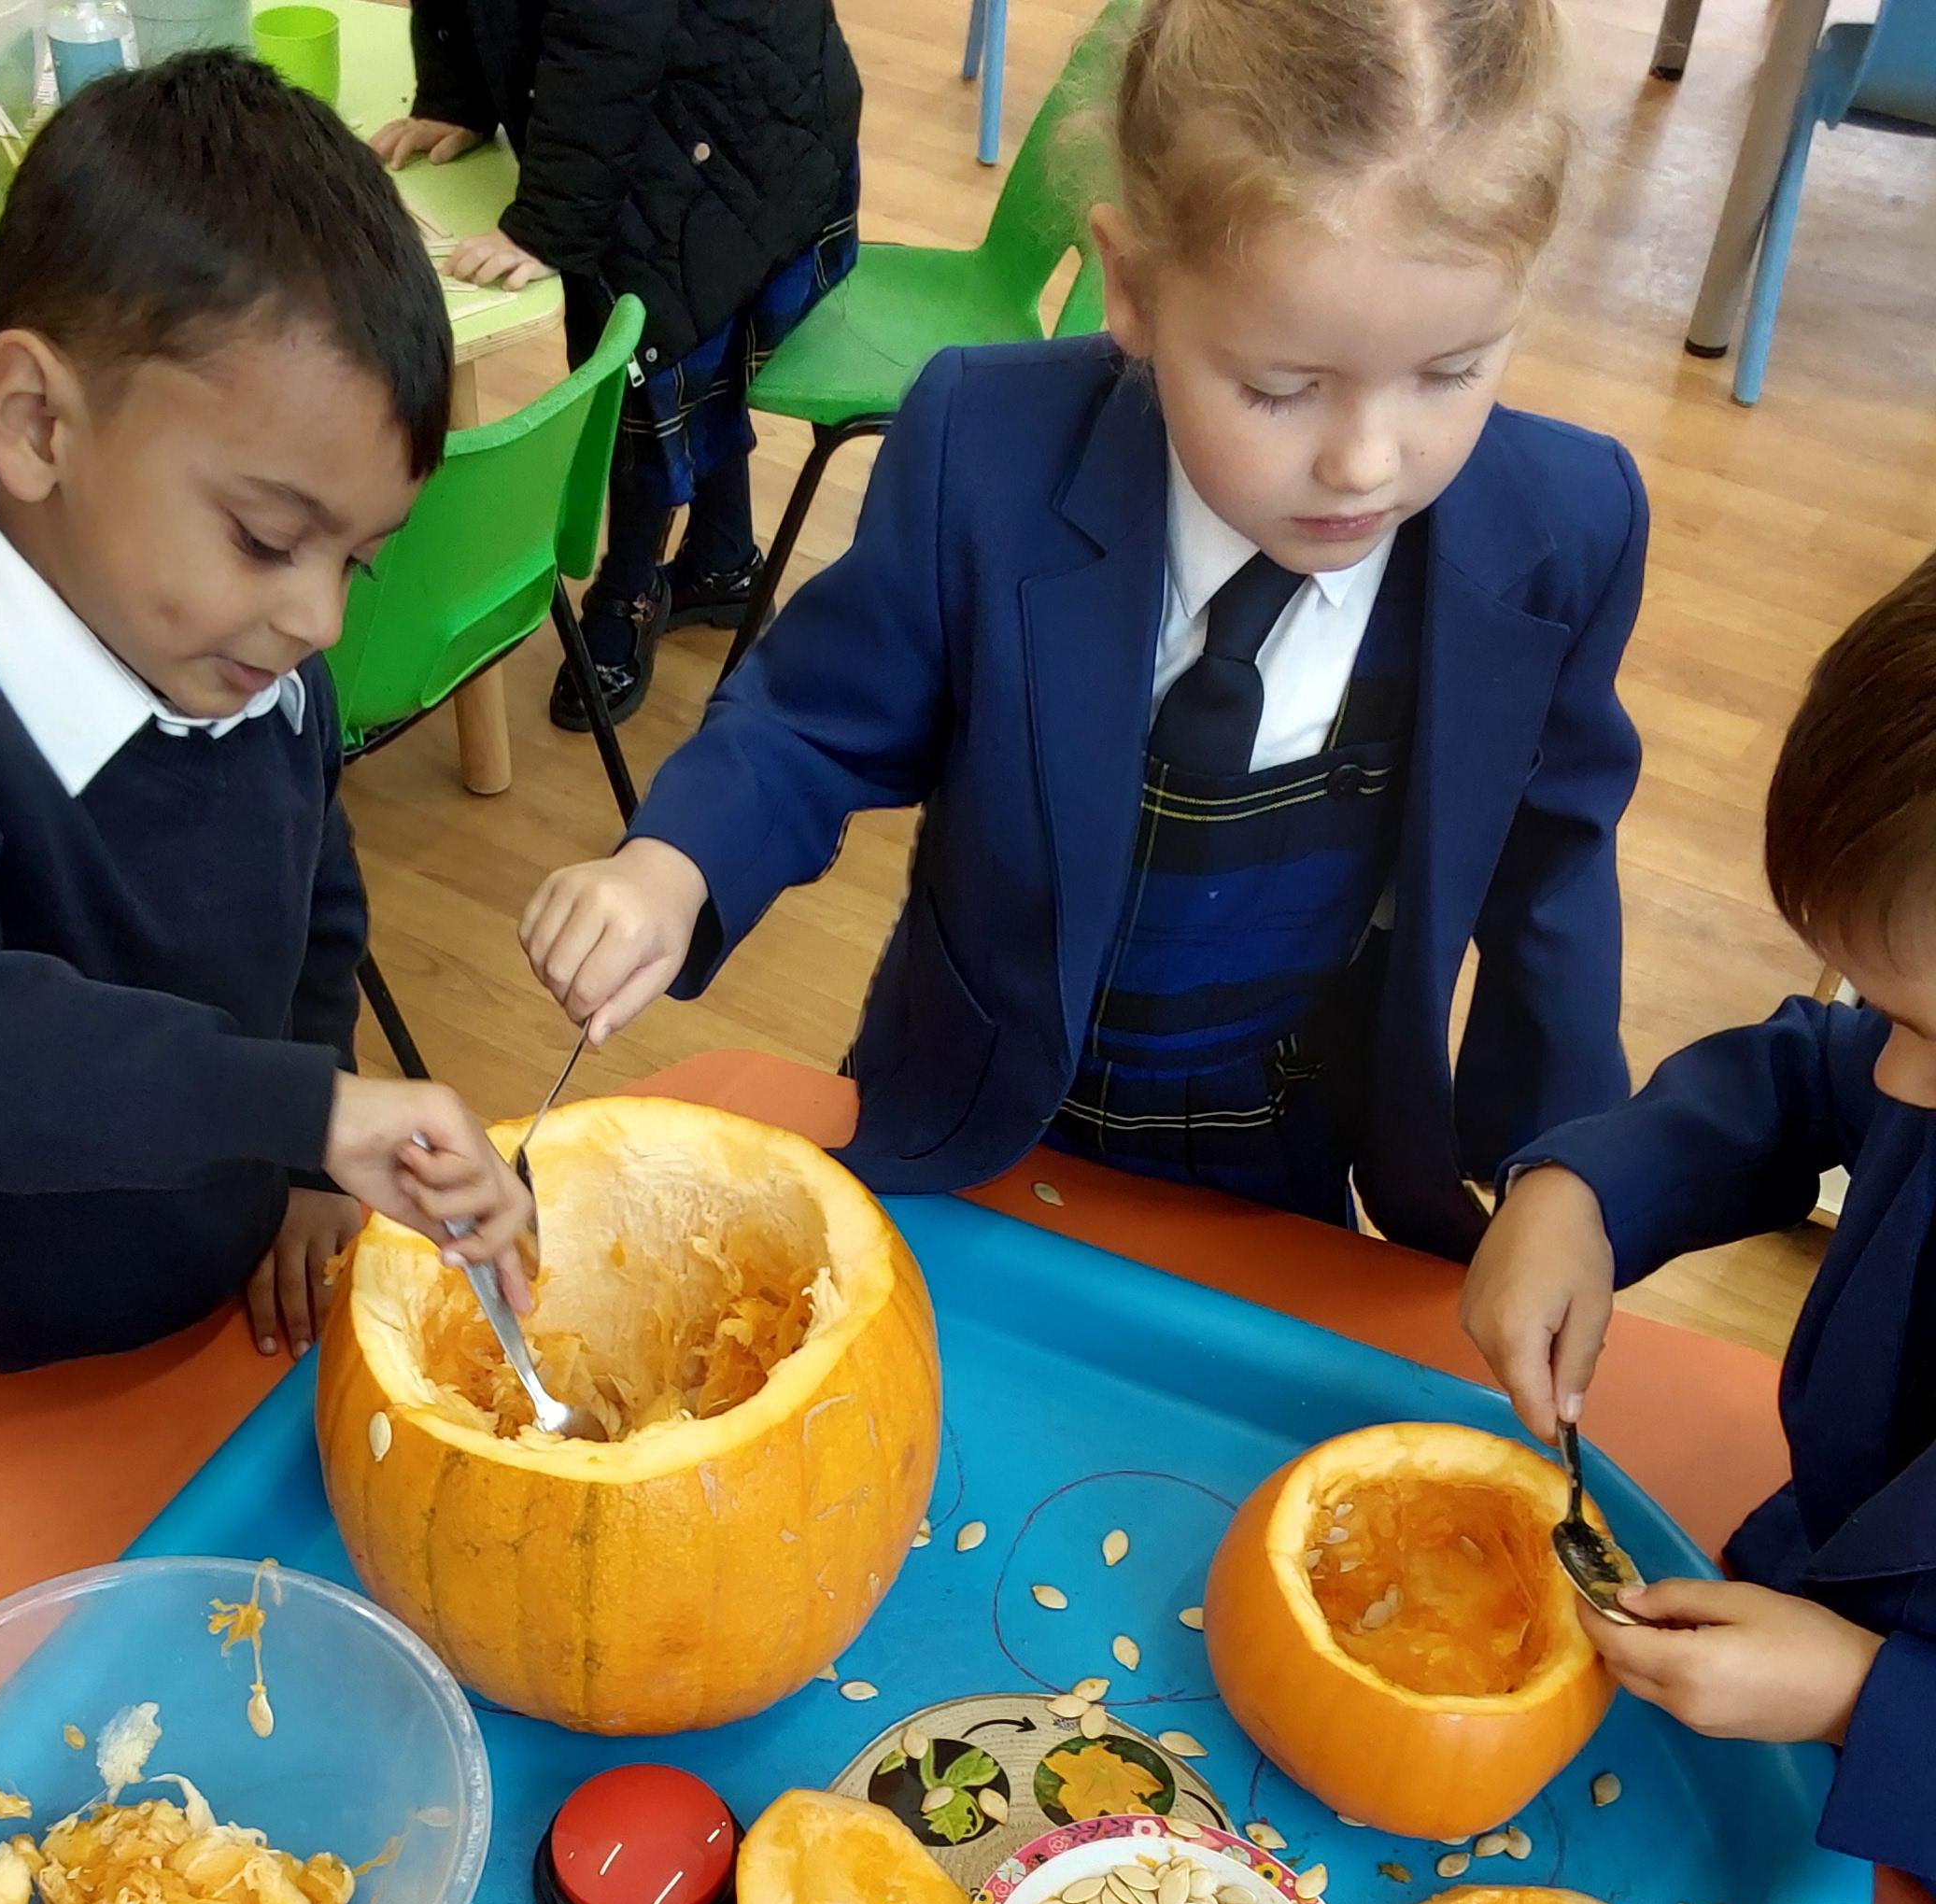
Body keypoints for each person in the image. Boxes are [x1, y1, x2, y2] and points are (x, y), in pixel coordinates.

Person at [518, 0, 1647, 1261]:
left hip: (1286, 1136)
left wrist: (1567, 1169)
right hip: (979, 1114)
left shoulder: (1567, 530)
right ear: (1135, 288)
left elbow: (1554, 871)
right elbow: (815, 721)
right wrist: (675, 865)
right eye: (1280, 388)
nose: (1366, 463)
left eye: (1451, 373)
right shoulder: (985, 450)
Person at [0, 53, 530, 1422]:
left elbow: (315, 905)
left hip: (204, 1288)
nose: (319, 619)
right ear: (38, 422)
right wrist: (300, 1112)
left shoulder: (245, 650)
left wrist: (304, 1159)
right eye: (268, 539)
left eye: (358, 560)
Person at [1461, 556, 1936, 1893]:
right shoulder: (1911, 1061)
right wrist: (1588, 1191)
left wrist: (1866, 1700)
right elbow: (1808, 1076)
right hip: (1781, 1617)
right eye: (1891, 1013)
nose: (1898, 1081)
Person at [373, 0, 859, 730]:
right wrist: (456, 96)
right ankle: (723, 561)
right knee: (694, 344)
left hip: (747, 130)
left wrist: (547, 223)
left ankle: (629, 589)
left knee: (646, 354)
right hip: (681, 98)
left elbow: (607, 41)